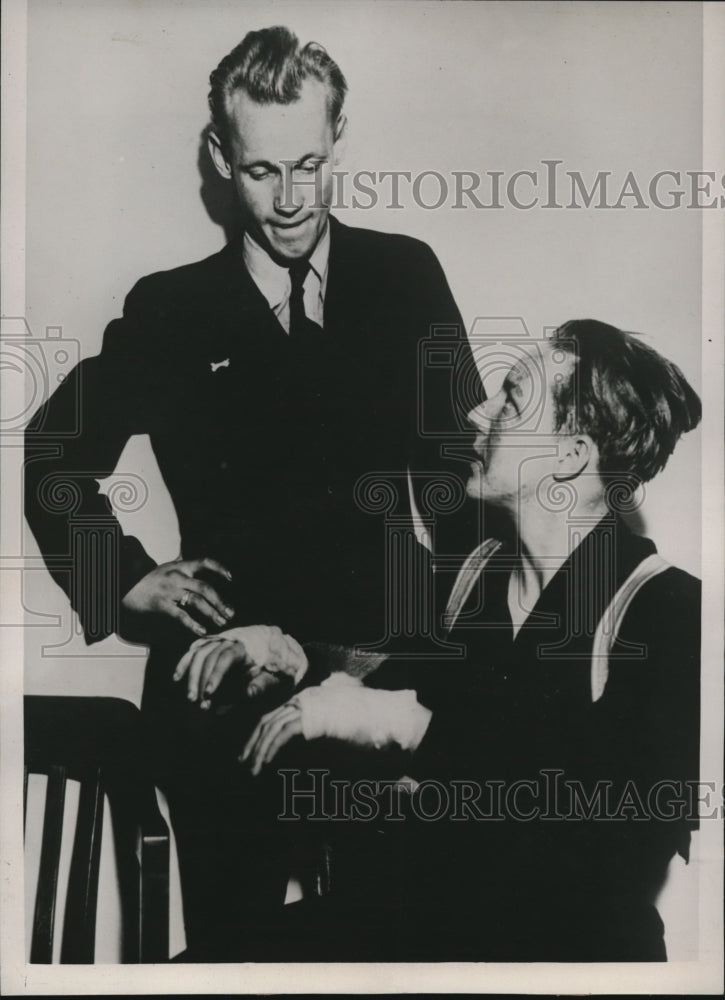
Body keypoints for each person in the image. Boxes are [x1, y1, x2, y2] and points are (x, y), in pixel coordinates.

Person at [23, 27, 480, 953]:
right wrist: (123, 578)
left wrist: (463, 673)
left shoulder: (404, 278)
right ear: (220, 155)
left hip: (376, 676)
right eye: (263, 170)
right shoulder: (171, 307)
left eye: (309, 165)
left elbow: (467, 491)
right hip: (218, 687)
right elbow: (51, 455)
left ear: (338, 137)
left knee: (398, 944)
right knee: (233, 952)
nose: (291, 199)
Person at [233, 319, 701, 962]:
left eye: (511, 398)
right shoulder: (474, 578)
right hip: (436, 923)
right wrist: (284, 657)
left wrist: (406, 726)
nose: (479, 411)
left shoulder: (667, 610)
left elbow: (605, 844)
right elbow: (388, 688)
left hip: (566, 959)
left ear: (570, 456)